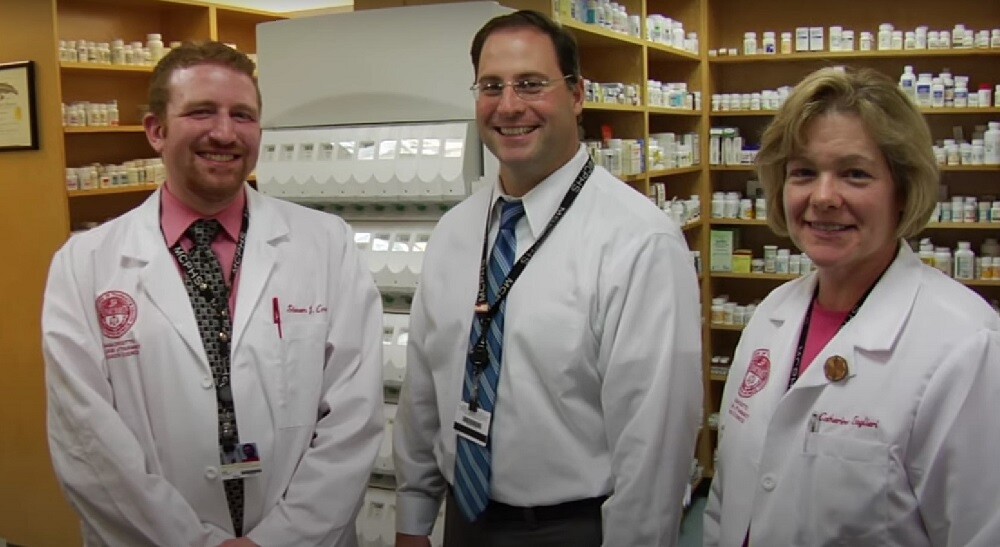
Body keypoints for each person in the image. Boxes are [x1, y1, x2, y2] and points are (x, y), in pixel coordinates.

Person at [43, 41, 384, 547]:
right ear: (156, 131)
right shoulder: (85, 263)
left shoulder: (325, 243)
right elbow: (86, 437)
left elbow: (355, 411)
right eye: (201, 112)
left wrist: (281, 539)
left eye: (242, 115)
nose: (225, 133)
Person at [393, 10, 701, 547]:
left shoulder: (639, 242)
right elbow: (424, 388)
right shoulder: (454, 232)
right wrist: (413, 519)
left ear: (577, 95)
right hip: (463, 521)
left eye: (532, 84)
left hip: (575, 528)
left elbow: (654, 443)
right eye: (492, 86)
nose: (510, 106)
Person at [703, 66, 1000, 546]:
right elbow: (729, 496)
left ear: (903, 191)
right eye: (804, 172)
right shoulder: (771, 315)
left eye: (854, 174)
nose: (823, 197)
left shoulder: (966, 345)